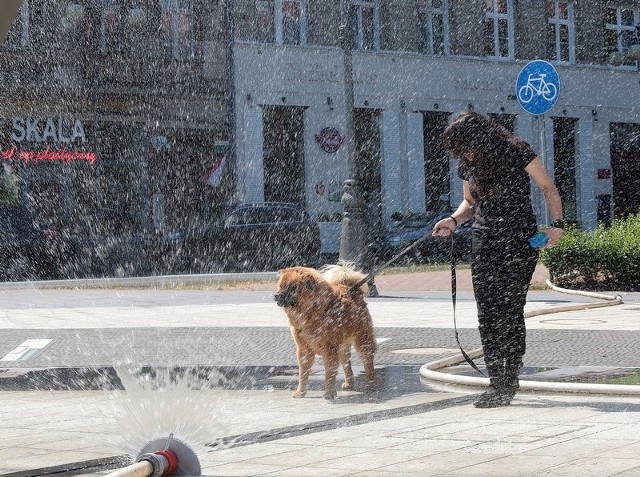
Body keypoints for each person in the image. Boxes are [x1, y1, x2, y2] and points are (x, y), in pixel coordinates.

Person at [432, 110, 564, 408]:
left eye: (464, 147)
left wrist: (557, 225)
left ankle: (511, 374)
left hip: (518, 241)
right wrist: (453, 221)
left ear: (479, 138)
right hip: (484, 240)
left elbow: (548, 187)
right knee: (487, 313)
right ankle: (497, 383)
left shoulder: (516, 149)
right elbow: (470, 202)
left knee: (510, 310)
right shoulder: (468, 163)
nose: (462, 155)